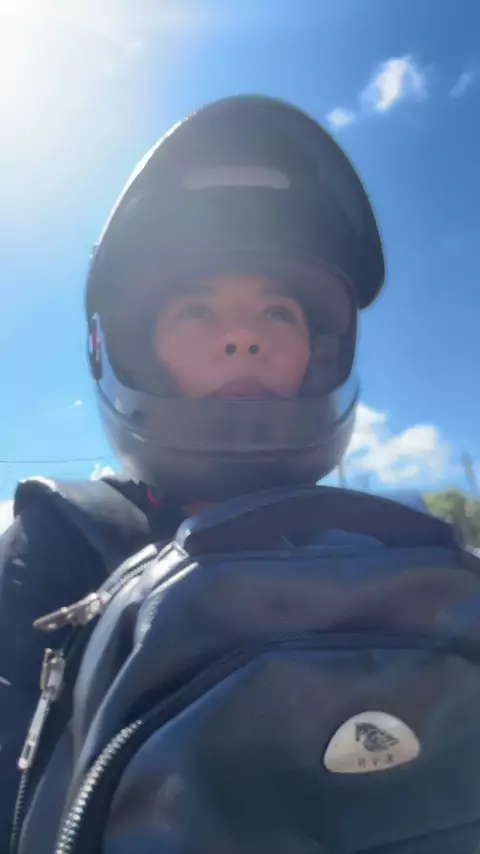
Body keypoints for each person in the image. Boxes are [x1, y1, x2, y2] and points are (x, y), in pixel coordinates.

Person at [0, 94, 388, 849]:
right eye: (198, 312)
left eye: (278, 313)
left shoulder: (376, 552)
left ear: (320, 353)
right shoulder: (61, 545)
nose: (243, 336)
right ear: (131, 350)